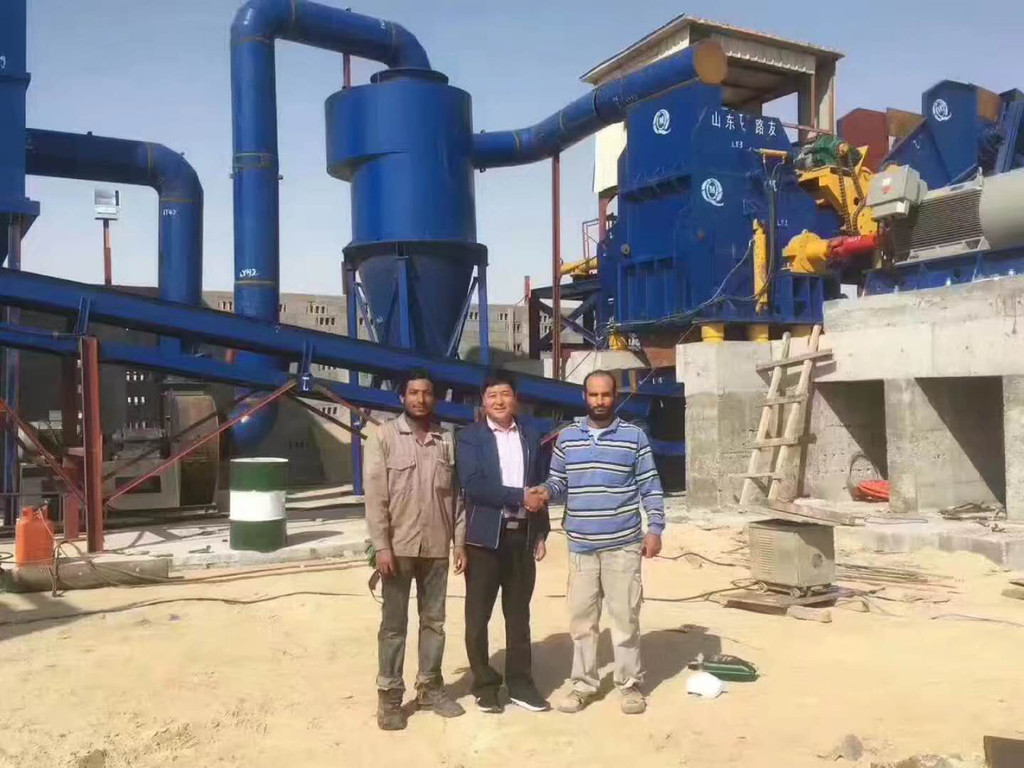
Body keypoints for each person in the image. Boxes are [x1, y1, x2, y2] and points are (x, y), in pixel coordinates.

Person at [525, 369, 665, 716]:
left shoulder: (634, 437)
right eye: (593, 395)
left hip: (623, 544)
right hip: (582, 546)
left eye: (605, 395)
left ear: (615, 396)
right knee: (582, 623)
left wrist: (655, 529)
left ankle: (629, 685)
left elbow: (650, 485)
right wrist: (545, 491)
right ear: (584, 397)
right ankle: (583, 685)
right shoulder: (568, 438)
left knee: (625, 618)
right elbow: (559, 481)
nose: (599, 401)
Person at [364, 367, 467, 731]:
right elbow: (375, 497)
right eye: (413, 393)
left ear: (434, 398)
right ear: (402, 397)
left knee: (434, 622)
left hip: (436, 547)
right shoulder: (383, 436)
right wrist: (381, 546)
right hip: (398, 548)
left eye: (426, 393)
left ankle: (430, 688)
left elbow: (456, 497)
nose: (420, 399)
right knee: (394, 625)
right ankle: (390, 696)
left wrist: (459, 542)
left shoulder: (446, 440)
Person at [456, 372, 551, 714]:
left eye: (505, 394)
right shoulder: (469, 438)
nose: (499, 401)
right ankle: (484, 684)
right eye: (492, 395)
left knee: (518, 616)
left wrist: (541, 532)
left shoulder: (530, 435)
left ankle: (521, 684)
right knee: (477, 617)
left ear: (515, 399)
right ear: (483, 401)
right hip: (484, 540)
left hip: (521, 538)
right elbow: (473, 485)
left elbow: (539, 484)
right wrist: (519, 497)